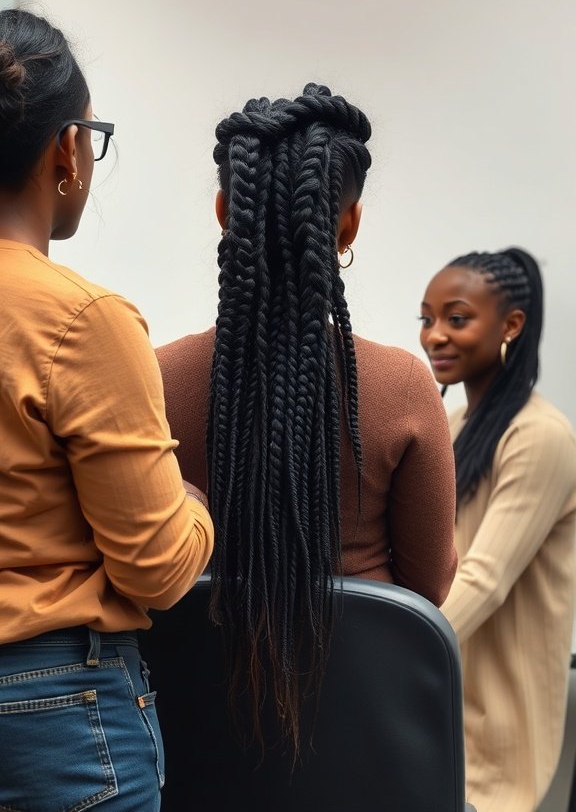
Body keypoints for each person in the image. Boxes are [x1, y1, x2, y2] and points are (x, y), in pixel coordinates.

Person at [157, 82, 457, 758]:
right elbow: (430, 585)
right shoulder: (405, 387)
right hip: (365, 733)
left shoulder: (154, 379)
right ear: (347, 226)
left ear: (222, 212)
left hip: (188, 737)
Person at [0, 9, 214, 812]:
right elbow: (155, 568)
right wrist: (192, 508)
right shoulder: (80, 318)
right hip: (52, 710)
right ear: (67, 148)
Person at [419, 247, 576, 812]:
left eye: (456, 319)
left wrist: (393, 649)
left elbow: (485, 578)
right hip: (440, 704)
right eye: (427, 319)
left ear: (511, 326)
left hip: (500, 726)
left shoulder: (540, 437)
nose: (435, 335)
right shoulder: (453, 426)